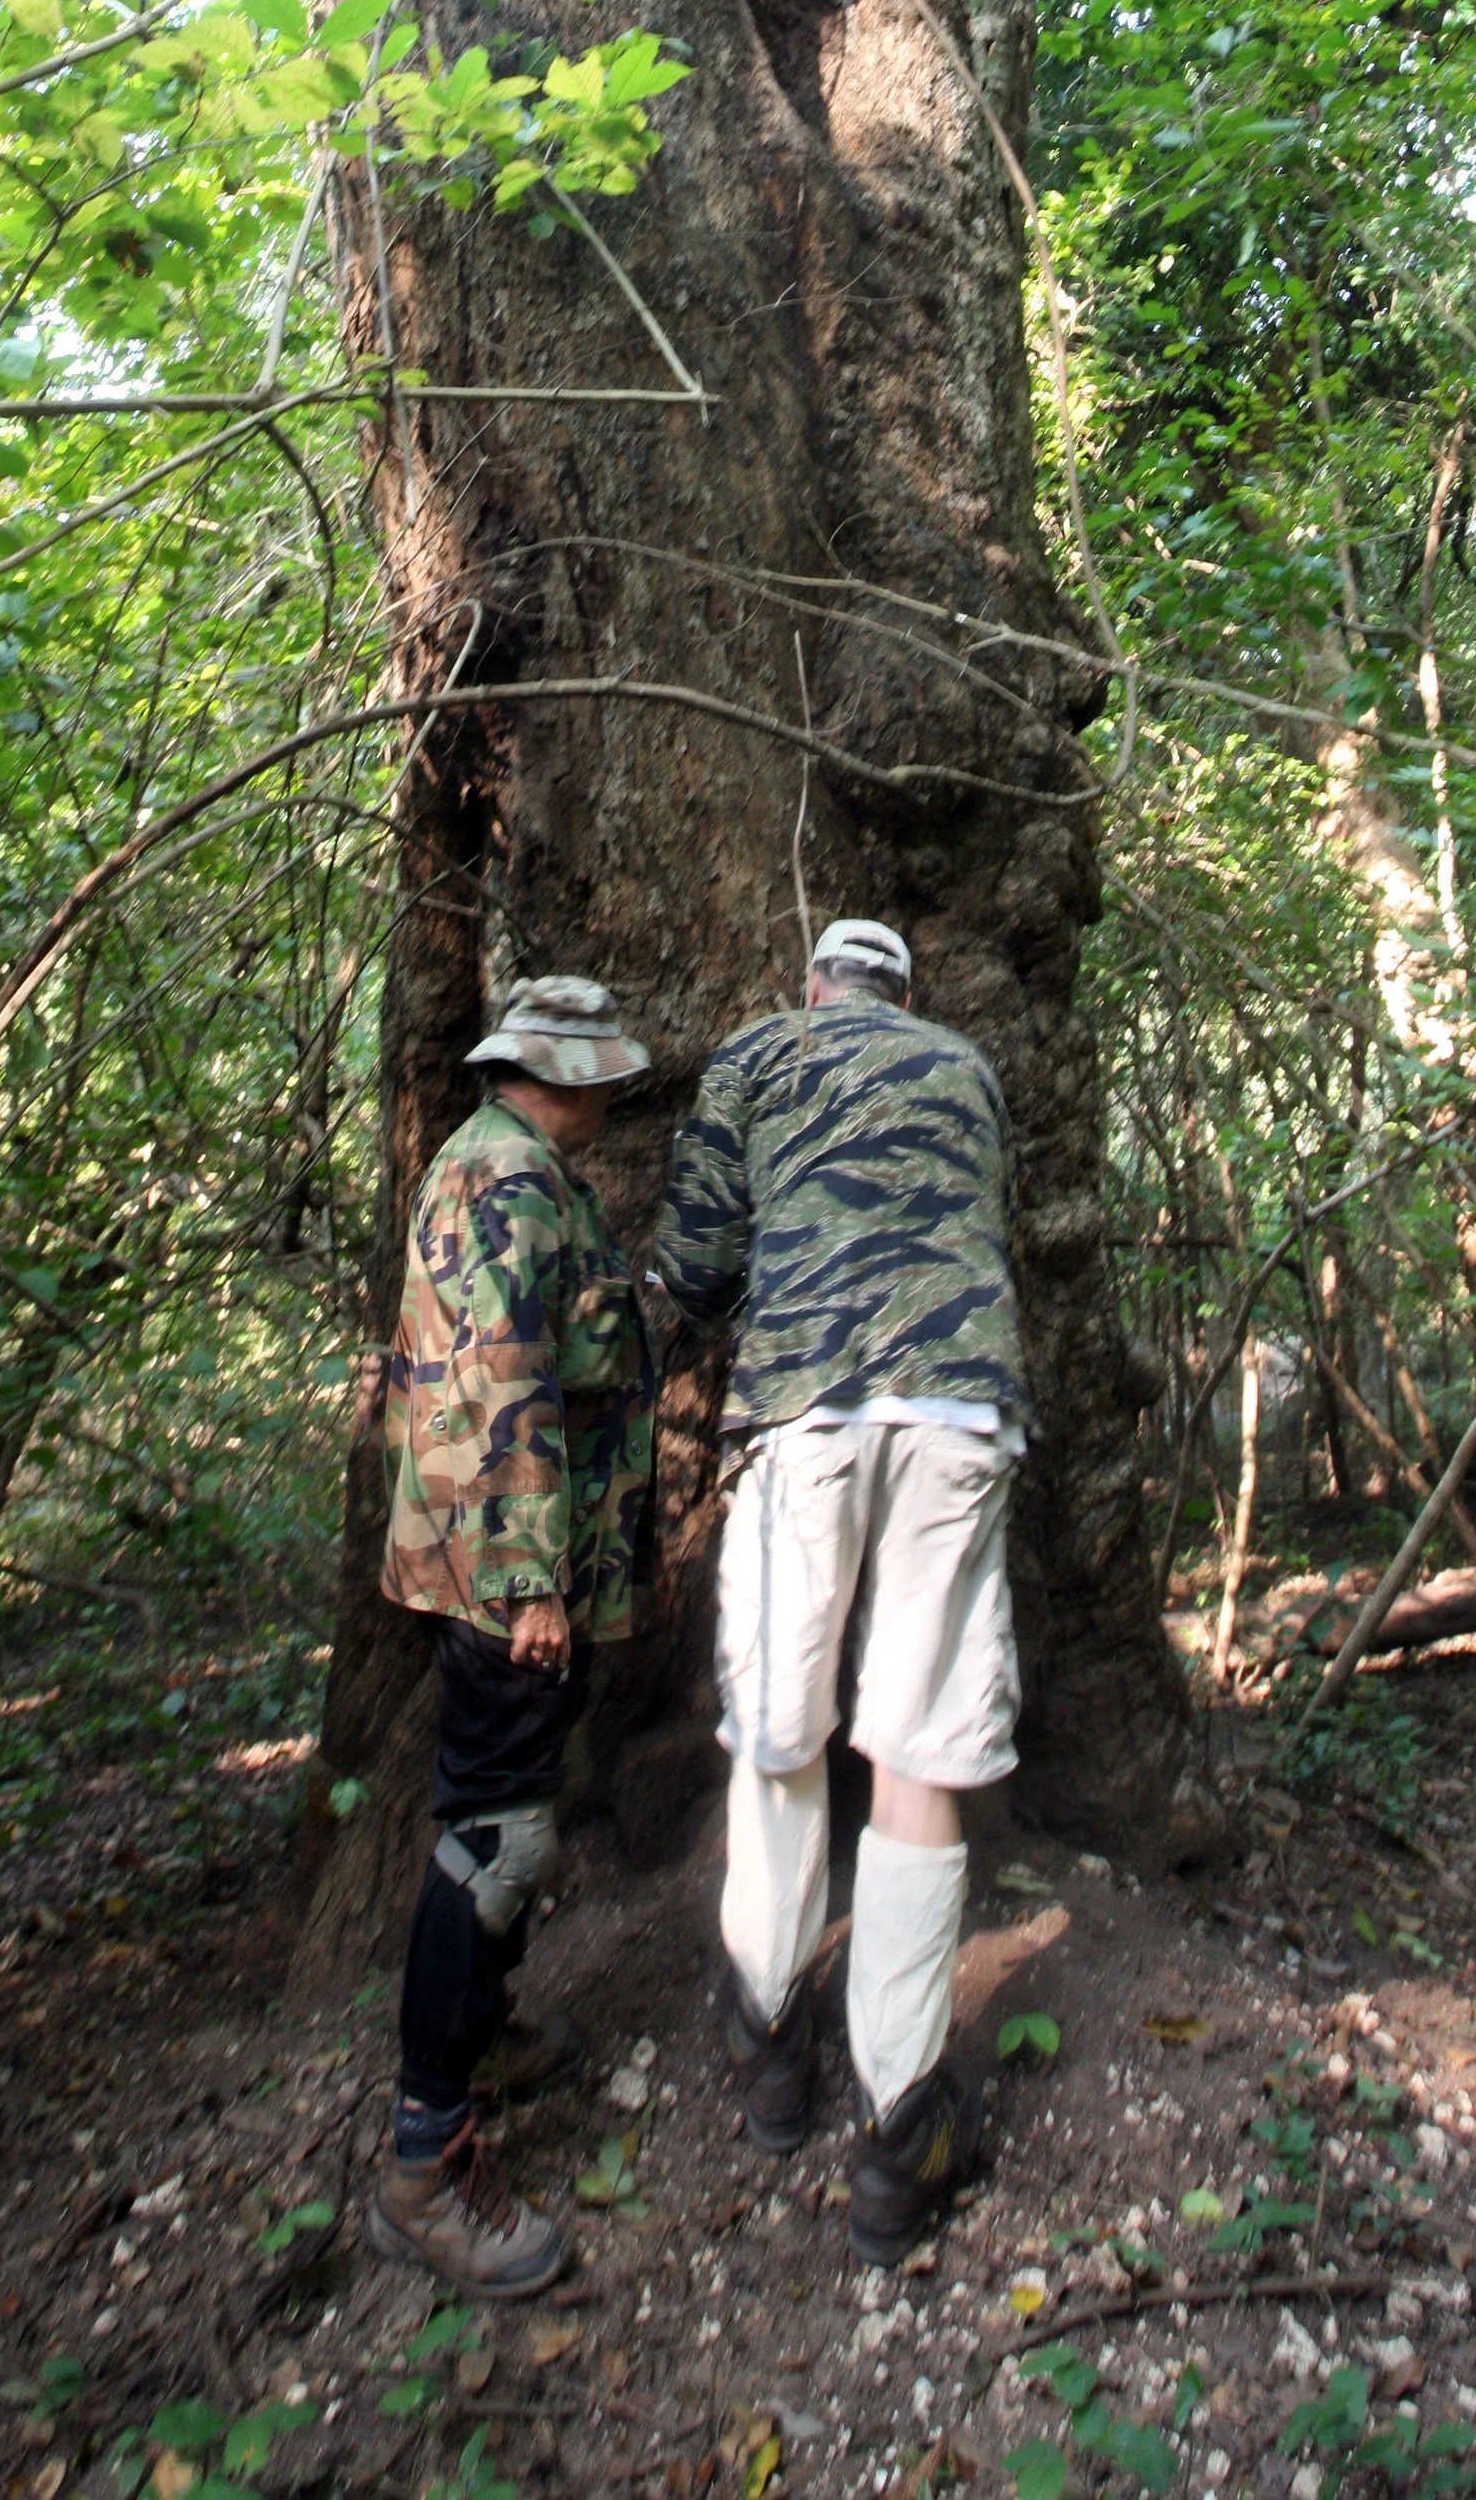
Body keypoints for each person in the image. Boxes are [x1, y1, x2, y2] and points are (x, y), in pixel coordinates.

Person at [654, 915, 1024, 2258]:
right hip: (953, 1409)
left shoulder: (755, 1052)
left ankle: (770, 2050)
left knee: (779, 1732)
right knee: (921, 1745)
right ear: (908, 991)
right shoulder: (969, 1067)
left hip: (802, 1413)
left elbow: (695, 1262)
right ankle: (900, 2118)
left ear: (811, 982)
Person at [366, 976, 656, 2297]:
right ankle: (426, 2159)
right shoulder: (506, 1184)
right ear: (561, 1073)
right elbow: (496, 1381)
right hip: (503, 1573)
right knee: (496, 1837)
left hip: (497, 1555)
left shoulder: (511, 1167)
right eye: (600, 1073)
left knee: (502, 1826)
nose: (611, 1094)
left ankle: (477, 2038)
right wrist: (533, 1579)